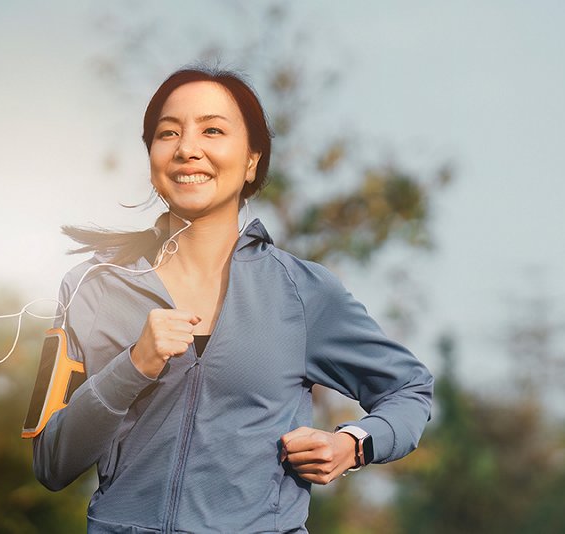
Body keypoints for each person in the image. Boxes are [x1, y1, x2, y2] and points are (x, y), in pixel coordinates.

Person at [32, 66, 433, 533]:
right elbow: (50, 462)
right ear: (152, 156)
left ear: (251, 161)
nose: (187, 149)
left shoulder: (303, 292)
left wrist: (354, 443)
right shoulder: (89, 288)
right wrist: (133, 366)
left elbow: (409, 390)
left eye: (213, 130)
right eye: (168, 133)